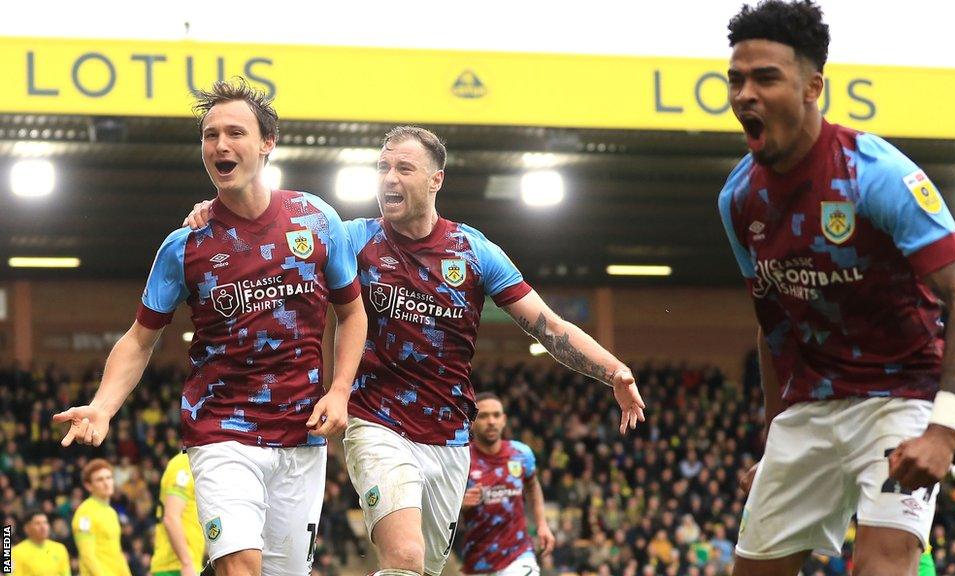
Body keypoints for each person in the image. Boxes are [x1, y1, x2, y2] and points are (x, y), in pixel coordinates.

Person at [185, 125, 646, 576]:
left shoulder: (472, 251)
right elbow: (271, 232)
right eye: (382, 167)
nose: (389, 178)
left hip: (448, 433)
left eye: (404, 168)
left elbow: (548, 326)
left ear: (435, 179)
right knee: (403, 555)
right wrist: (220, 209)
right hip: (375, 420)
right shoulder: (352, 238)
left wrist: (615, 372)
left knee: (419, 570)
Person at [718, 2, 955, 575]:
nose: (746, 94)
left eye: (766, 77)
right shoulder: (738, 199)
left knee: (882, 566)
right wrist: (773, 437)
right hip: (809, 409)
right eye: (736, 80)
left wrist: (943, 432)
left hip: (900, 399)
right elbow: (772, 326)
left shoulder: (875, 174)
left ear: (814, 85)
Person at [54, 78, 368, 576]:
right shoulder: (185, 245)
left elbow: (351, 313)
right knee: (240, 565)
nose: (220, 145)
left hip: (300, 434)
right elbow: (140, 339)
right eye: (210, 135)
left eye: (235, 133)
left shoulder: (317, 219)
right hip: (221, 430)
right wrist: (103, 405)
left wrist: (341, 390)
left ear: (268, 143)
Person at [459, 392, 555, 575]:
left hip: (518, 555)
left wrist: (542, 524)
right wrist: (461, 505)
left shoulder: (520, 454)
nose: (491, 421)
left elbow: (533, 486)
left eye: (496, 415)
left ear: (504, 420)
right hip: (476, 562)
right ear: (472, 421)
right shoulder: (462, 460)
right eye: (484, 416)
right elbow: (441, 506)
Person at [72, 458, 131, 576]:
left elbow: (117, 553)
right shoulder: (85, 513)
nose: (106, 483)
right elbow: (87, 555)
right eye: (100, 479)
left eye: (109, 478)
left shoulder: (112, 512)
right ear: (88, 486)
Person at [151, 452, 205, 576]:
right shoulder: (184, 463)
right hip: (175, 567)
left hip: (186, 563)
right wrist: (186, 563)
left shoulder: (195, 462)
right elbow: (171, 517)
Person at [11, 509, 71, 576]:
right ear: (27, 528)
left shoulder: (60, 548)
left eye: (45, 522)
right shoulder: (15, 552)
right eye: (37, 523)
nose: (43, 527)